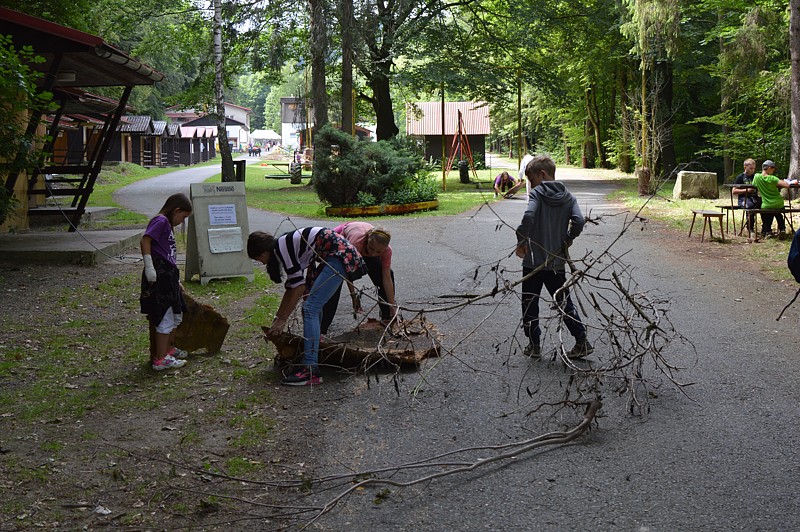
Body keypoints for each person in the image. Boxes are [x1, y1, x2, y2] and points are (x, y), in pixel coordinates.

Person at [247, 227, 366, 386]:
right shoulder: (283, 246)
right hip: (335, 255)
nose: (261, 263)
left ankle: (310, 370)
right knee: (312, 304)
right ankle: (316, 347)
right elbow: (291, 287)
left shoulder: (283, 247)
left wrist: (282, 320)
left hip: (339, 256)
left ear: (262, 253)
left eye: (258, 259)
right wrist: (278, 319)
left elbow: (298, 287)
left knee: (310, 308)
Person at [515, 154, 592, 359]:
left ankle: (534, 345)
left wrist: (521, 239)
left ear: (542, 174)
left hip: (533, 263)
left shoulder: (537, 194)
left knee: (530, 303)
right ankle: (581, 340)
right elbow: (579, 221)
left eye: (531, 180)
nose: (530, 185)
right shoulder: (568, 196)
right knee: (563, 301)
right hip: (556, 261)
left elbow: (529, 216)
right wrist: (568, 238)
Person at [140, 193, 193, 371]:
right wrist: (149, 266)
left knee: (176, 313)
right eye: (183, 217)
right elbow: (145, 240)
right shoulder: (160, 221)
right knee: (165, 315)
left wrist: (176, 280)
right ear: (176, 210)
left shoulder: (167, 224)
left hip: (169, 275)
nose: (181, 221)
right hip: (159, 273)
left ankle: (169, 349)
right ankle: (160, 358)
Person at [320, 223, 396, 336]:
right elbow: (347, 273)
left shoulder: (386, 251)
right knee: (334, 281)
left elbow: (387, 279)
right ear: (368, 240)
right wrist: (353, 296)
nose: (373, 253)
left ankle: (387, 316)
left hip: (361, 248)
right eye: (372, 249)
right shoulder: (356, 243)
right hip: (340, 246)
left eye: (378, 252)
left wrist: (392, 306)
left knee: (386, 272)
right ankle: (321, 329)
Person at [753, 160, 794, 239]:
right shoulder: (772, 178)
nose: (773, 170)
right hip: (778, 203)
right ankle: (782, 229)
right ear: (768, 168)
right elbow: (787, 185)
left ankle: (767, 231)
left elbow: (754, 184)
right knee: (779, 212)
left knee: (766, 214)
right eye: (772, 168)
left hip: (766, 204)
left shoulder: (757, 177)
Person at [732, 158, 760, 233]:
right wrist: (746, 190)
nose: (752, 170)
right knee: (750, 207)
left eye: (754, 168)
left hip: (755, 198)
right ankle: (750, 228)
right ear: (745, 167)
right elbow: (734, 191)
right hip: (743, 199)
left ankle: (766, 229)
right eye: (751, 168)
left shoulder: (756, 177)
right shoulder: (740, 177)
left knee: (766, 207)